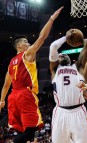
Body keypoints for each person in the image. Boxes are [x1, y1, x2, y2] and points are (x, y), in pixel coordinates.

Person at [0, 6, 63, 143]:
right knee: (30, 133)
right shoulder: (27, 55)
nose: (28, 44)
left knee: (25, 133)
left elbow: (6, 84)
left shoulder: (11, 63)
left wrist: (2, 100)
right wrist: (52, 18)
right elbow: (43, 37)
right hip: (24, 95)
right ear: (19, 47)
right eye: (25, 42)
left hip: (12, 97)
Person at [49, 30, 87, 143]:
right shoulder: (54, 70)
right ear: (57, 60)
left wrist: (84, 42)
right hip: (60, 112)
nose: (61, 55)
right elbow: (53, 47)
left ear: (69, 59)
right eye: (60, 55)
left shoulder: (77, 67)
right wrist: (66, 37)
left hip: (78, 111)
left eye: (64, 55)